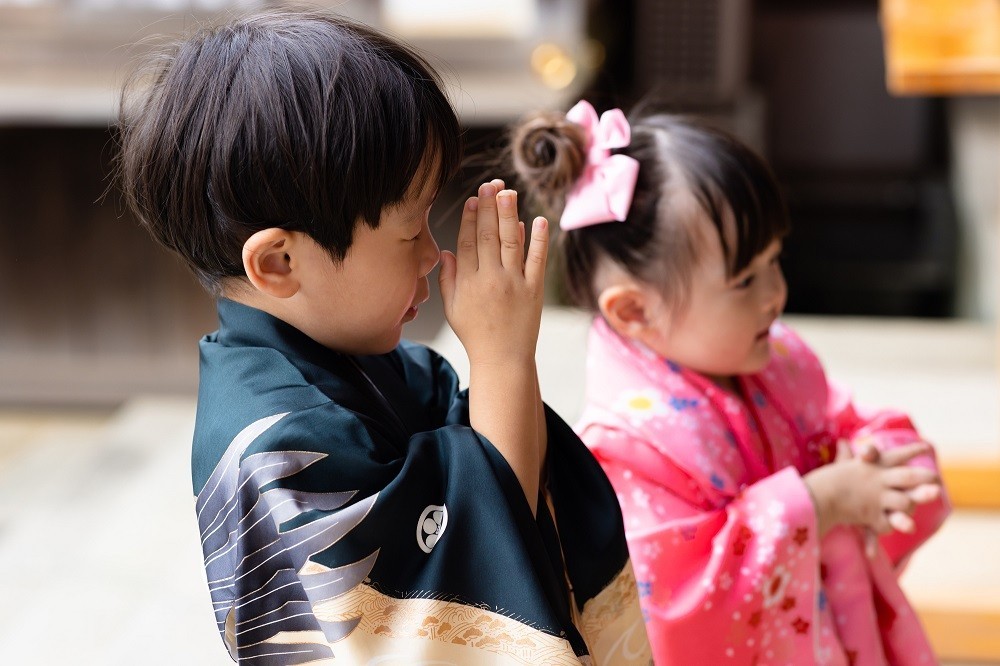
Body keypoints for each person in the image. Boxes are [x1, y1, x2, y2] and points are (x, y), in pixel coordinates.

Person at [117, 14, 651, 665]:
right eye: (408, 232)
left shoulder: (359, 363)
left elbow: (498, 481)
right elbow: (476, 590)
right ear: (280, 263)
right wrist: (504, 355)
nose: (433, 253)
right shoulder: (279, 445)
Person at [508, 100, 950, 665]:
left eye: (775, 259)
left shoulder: (774, 359)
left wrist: (876, 462)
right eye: (745, 279)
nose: (776, 293)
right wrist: (819, 501)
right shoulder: (625, 448)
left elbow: (845, 423)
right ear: (634, 312)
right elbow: (673, 608)